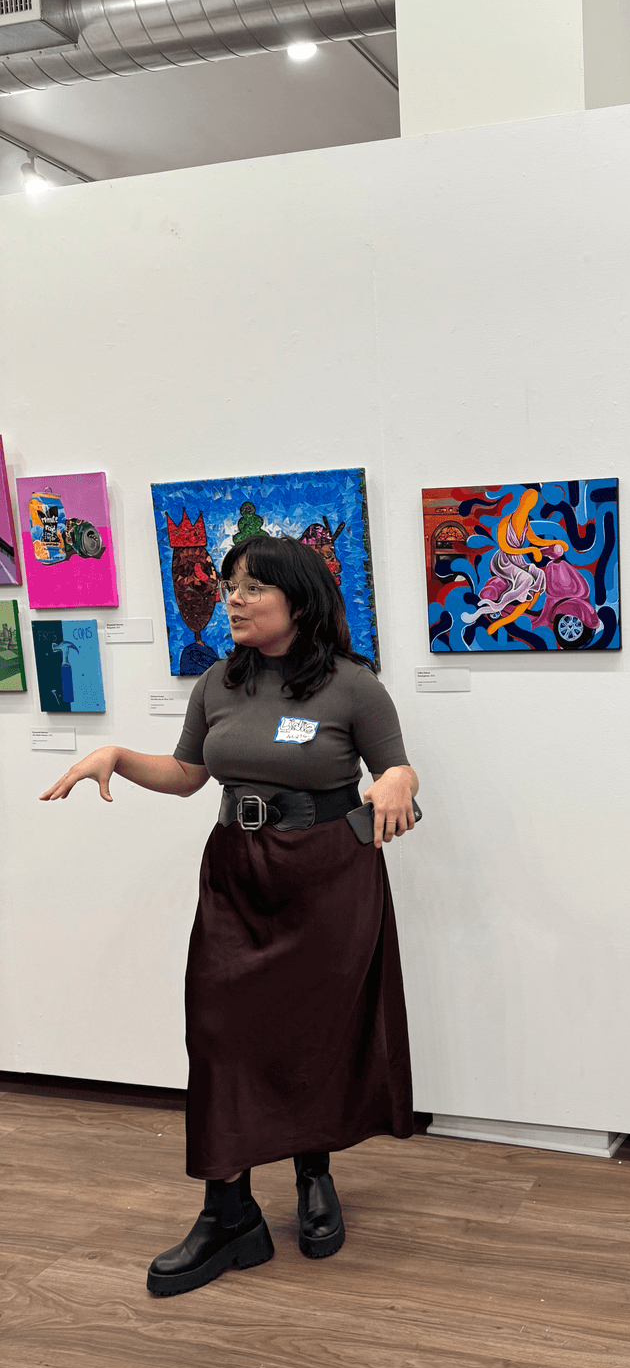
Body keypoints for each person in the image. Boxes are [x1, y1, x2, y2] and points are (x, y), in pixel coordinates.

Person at [40, 535, 419, 1297]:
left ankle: (314, 1175)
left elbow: (395, 768)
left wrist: (397, 784)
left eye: (251, 587)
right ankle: (228, 1211)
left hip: (326, 878)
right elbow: (188, 774)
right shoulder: (218, 680)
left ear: (298, 600)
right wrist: (117, 757)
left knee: (312, 1032)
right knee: (220, 1035)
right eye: (229, 585)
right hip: (236, 874)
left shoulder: (352, 685)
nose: (233, 600)